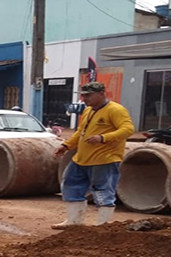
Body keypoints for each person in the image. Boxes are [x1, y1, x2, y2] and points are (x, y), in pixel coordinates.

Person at [53, 81, 134, 228]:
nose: (84, 99)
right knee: (71, 184)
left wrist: (103, 138)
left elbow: (128, 129)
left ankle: (104, 224)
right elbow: (81, 132)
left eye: (88, 95)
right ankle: (74, 221)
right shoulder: (88, 111)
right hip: (82, 159)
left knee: (103, 190)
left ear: (101, 94)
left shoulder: (115, 110)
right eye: (83, 96)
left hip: (104, 159)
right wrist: (66, 146)